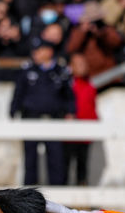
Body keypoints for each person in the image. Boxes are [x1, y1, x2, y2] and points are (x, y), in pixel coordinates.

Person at [10, 39, 76, 186]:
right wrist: (13, 111)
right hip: (31, 118)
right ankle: (28, 197)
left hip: (54, 120)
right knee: (30, 159)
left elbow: (69, 96)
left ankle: (58, 197)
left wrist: (71, 112)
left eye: (39, 50)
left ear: (49, 51)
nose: (35, 54)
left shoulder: (61, 72)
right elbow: (18, 93)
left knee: (56, 159)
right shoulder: (27, 71)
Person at [68, 53, 97, 185]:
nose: (82, 67)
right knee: (65, 168)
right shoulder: (66, 85)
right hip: (68, 135)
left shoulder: (90, 86)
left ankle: (82, 200)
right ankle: (63, 201)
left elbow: (91, 108)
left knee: (83, 168)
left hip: (85, 134)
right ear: (71, 67)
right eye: (78, 64)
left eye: (84, 64)